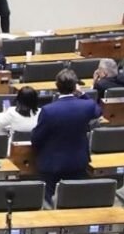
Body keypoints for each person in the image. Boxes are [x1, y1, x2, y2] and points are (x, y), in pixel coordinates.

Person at [31, 68, 103, 203]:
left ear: (57, 86)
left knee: (47, 201)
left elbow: (36, 139)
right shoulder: (87, 105)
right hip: (78, 160)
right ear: (75, 86)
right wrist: (82, 94)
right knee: (74, 200)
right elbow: (98, 111)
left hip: (52, 163)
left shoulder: (48, 110)